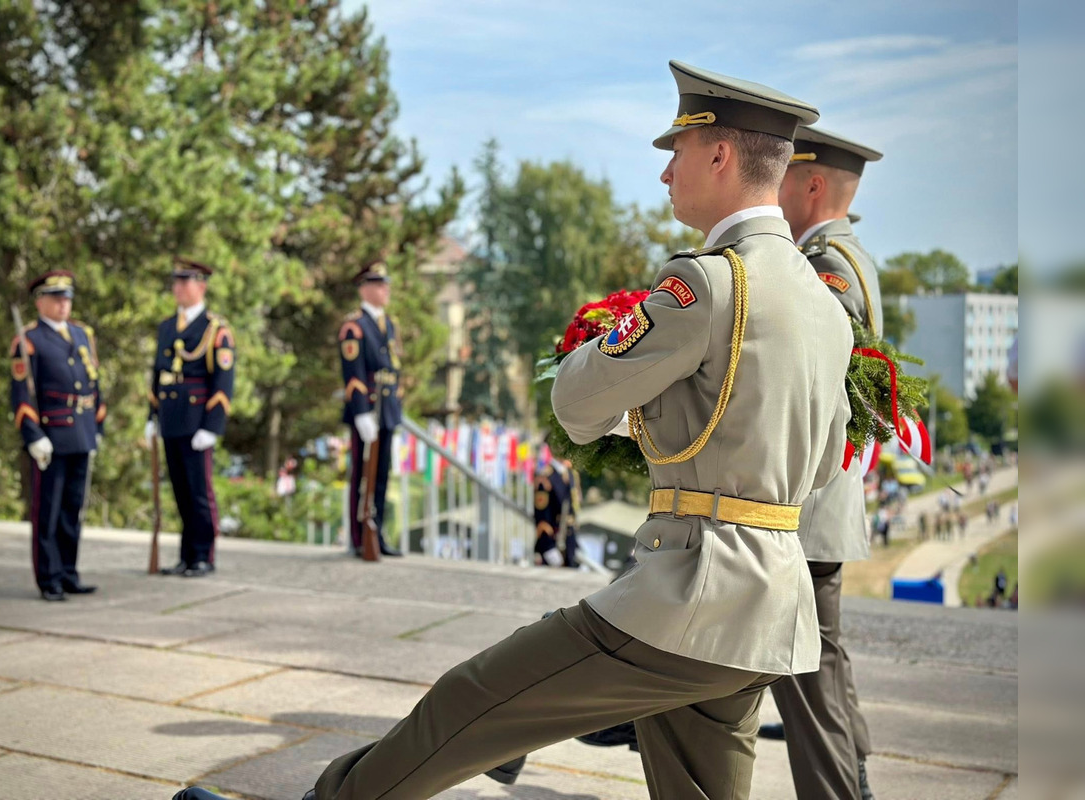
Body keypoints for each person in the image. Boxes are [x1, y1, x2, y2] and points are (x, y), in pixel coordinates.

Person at [174, 61, 853, 800]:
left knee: (469, 703)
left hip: (689, 593)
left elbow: (577, 402)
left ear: (720, 155)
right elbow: (821, 465)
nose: (665, 174)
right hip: (770, 608)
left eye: (677, 152)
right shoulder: (821, 303)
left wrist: (616, 369)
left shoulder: (707, 283)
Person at [763, 124, 885, 799]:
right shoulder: (848, 256)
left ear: (810, 184)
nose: (771, 190)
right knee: (822, 659)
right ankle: (856, 776)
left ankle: (844, 788)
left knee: (804, 668)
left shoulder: (828, 264)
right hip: (821, 495)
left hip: (806, 499)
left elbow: (809, 374)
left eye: (782, 176)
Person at [10, 271, 104, 601]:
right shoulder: (29, 340)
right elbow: (22, 395)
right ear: (40, 302)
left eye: (67, 298)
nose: (64, 304)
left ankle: (68, 572)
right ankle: (48, 578)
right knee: (47, 511)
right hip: (51, 436)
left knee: (72, 510)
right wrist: (33, 435)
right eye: (56, 298)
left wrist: (98, 426)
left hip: (81, 432)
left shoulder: (82, 335)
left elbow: (95, 383)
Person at [145, 258, 235, 577]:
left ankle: (203, 555)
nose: (179, 288)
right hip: (171, 420)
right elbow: (158, 376)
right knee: (181, 492)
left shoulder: (215, 329)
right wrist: (151, 416)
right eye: (177, 282)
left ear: (202, 286)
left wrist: (212, 426)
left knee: (200, 492)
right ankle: (186, 555)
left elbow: (223, 383)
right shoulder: (168, 327)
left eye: (186, 282)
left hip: (198, 421)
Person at [339, 262, 403, 558]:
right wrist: (361, 411)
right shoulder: (354, 326)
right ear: (364, 288)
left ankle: (377, 531)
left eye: (385, 283)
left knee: (382, 476)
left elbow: (394, 369)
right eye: (378, 284)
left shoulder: (388, 324)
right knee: (362, 476)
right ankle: (358, 536)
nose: (385, 289)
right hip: (367, 411)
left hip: (387, 409)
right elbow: (353, 374)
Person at [533, 453, 580, 567]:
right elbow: (542, 519)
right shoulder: (545, 476)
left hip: (569, 539)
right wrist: (548, 546)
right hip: (553, 540)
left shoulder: (570, 474)